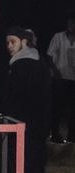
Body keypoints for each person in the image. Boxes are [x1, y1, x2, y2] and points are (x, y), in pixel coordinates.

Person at [2, 27, 51, 173]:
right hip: (37, 124)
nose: (9, 47)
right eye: (7, 42)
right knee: (34, 165)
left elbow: (14, 97)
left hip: (21, 122)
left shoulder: (21, 65)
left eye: (13, 42)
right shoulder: (40, 63)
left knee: (18, 165)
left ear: (24, 42)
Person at [46, 12, 75, 143]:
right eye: (70, 23)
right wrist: (55, 72)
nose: (71, 26)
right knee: (57, 108)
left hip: (73, 79)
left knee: (72, 110)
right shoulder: (58, 37)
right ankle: (55, 135)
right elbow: (50, 56)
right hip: (59, 78)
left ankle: (72, 136)